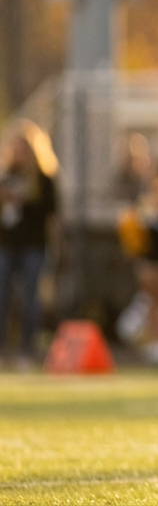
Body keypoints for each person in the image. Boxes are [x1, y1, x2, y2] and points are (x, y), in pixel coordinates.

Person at [0, 122, 58, 370]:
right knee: (2, 296)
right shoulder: (6, 177)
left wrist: (24, 200)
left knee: (30, 298)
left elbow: (52, 213)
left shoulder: (44, 180)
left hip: (33, 244)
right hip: (6, 243)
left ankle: (27, 350)